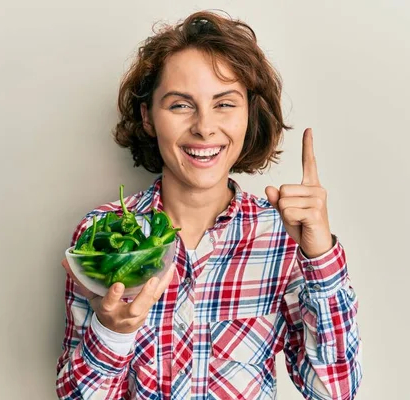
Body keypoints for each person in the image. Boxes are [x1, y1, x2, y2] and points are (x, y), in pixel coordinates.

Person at [56, 10, 362, 400]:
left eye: (224, 104)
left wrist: (320, 256)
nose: (204, 127)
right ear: (148, 117)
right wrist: (112, 332)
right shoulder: (103, 236)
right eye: (181, 105)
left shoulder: (282, 238)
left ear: (249, 115)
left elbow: (334, 392)